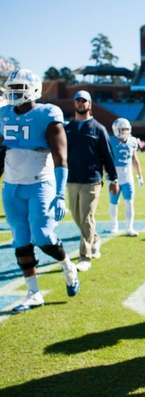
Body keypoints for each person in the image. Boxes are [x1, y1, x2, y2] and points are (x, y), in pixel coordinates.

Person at [0, 69, 80, 313]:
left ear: (33, 89)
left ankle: (68, 265)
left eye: (19, 88)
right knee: (21, 240)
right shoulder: (3, 114)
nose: (14, 93)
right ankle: (33, 293)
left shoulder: (47, 114)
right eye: (11, 88)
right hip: (12, 186)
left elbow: (61, 159)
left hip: (40, 183)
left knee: (43, 236)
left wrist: (59, 194)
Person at [65, 90, 118, 272]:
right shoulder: (68, 128)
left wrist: (114, 179)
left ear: (90, 104)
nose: (80, 103)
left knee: (87, 218)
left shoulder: (98, 129)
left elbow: (108, 156)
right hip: (72, 179)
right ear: (75, 104)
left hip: (91, 181)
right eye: (78, 100)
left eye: (84, 101)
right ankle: (94, 239)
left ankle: (85, 256)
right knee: (77, 217)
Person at [108, 118, 144, 237]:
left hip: (128, 176)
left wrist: (139, 176)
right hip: (114, 177)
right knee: (114, 202)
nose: (124, 131)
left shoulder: (133, 141)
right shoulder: (111, 140)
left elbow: (135, 159)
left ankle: (129, 227)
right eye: (122, 129)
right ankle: (114, 225)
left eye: (126, 129)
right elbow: (105, 160)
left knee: (129, 202)